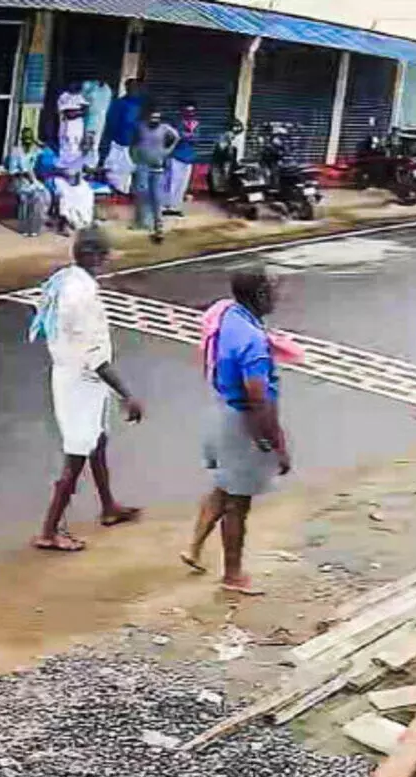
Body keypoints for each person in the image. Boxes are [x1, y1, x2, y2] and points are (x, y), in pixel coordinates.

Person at [27, 228, 145, 552]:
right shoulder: (82, 297)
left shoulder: (65, 280)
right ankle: (49, 530)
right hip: (80, 381)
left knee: (98, 440)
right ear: (94, 256)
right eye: (106, 255)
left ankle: (109, 507)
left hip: (76, 375)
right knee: (77, 455)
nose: (108, 261)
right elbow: (96, 359)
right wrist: (127, 396)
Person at [180, 270, 292, 592]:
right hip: (241, 422)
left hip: (219, 412)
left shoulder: (227, 313)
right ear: (258, 296)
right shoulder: (253, 342)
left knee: (224, 487)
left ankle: (193, 549)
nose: (276, 296)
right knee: (238, 504)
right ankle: (232, 575)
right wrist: (276, 444)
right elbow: (257, 397)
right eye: (271, 290)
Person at [131, 108, 178, 244]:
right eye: (152, 117)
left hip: (157, 167)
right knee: (142, 193)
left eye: (157, 118)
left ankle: (158, 227)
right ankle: (143, 222)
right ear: (147, 117)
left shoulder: (164, 128)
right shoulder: (141, 127)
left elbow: (176, 137)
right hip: (142, 166)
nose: (155, 120)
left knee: (157, 197)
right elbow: (134, 144)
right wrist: (135, 158)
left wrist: (167, 151)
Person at [5, 128, 50, 237]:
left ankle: (35, 227)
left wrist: (38, 143)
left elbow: (47, 150)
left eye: (30, 138)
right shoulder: (16, 151)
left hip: (32, 180)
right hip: (19, 180)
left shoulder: (34, 150)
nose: (28, 141)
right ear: (22, 139)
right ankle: (24, 228)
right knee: (25, 198)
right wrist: (25, 174)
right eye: (26, 138)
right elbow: (12, 172)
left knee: (41, 197)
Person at [103, 79, 145, 195]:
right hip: (120, 142)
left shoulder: (142, 104)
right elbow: (111, 122)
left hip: (136, 143)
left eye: (136, 87)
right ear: (127, 88)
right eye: (131, 87)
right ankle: (120, 191)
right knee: (118, 169)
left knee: (134, 168)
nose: (134, 90)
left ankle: (130, 191)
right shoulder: (119, 103)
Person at [164, 104, 201, 216]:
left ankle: (176, 206)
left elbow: (196, 138)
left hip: (188, 158)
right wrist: (188, 135)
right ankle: (167, 206)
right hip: (176, 157)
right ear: (182, 112)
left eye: (192, 112)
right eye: (187, 111)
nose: (190, 114)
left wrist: (188, 135)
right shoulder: (177, 123)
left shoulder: (196, 124)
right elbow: (177, 136)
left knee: (182, 184)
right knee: (172, 182)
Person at [53, 167, 95, 233]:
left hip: (77, 181)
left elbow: (88, 170)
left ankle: (82, 221)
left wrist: (79, 174)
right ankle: (64, 224)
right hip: (60, 179)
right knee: (64, 195)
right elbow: (59, 168)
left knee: (87, 192)